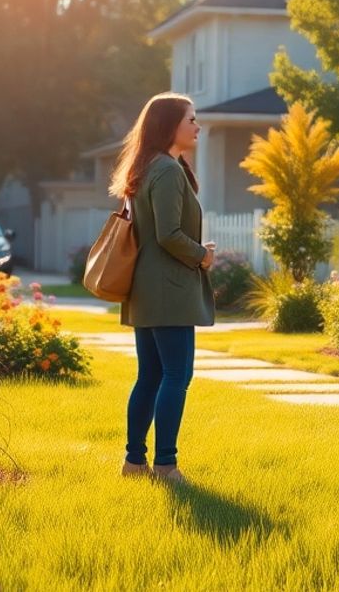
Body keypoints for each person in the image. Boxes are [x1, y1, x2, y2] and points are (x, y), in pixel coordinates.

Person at [109, 92, 216, 483]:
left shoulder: (148, 166)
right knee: (175, 375)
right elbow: (169, 234)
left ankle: (134, 462)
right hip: (169, 290)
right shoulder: (168, 170)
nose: (197, 125)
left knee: (150, 376)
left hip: (146, 289)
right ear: (169, 125)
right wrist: (202, 255)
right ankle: (166, 466)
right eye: (190, 119)